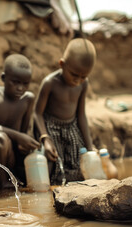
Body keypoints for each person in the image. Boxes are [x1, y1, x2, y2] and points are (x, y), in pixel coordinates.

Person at [33, 38, 96, 184]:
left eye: (83, 76)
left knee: (79, 164)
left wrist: (90, 147)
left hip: (71, 128)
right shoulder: (50, 83)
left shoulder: (83, 85)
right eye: (74, 75)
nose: (78, 81)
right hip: (51, 128)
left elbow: (81, 115)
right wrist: (45, 138)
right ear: (62, 64)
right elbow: (37, 113)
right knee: (53, 162)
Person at [0, 54, 40, 186]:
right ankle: (3, 181)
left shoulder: (28, 99)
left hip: (11, 154)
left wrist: (24, 142)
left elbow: (23, 132)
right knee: (0, 137)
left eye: (25, 84)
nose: (20, 88)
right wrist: (19, 136)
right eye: (15, 82)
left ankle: (12, 177)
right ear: (3, 78)